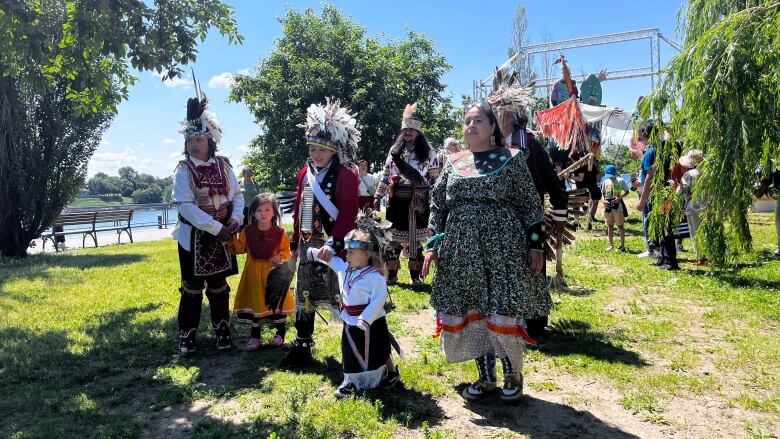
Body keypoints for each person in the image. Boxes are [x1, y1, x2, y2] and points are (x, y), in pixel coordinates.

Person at [421, 103, 546, 403]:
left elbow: (531, 204)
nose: (471, 125)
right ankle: (486, 377)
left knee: (502, 306)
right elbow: (438, 206)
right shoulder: (453, 163)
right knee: (472, 307)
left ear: (492, 127)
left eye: (478, 120)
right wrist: (431, 246)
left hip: (503, 247)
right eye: (467, 121)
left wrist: (536, 245)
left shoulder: (512, 160)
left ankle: (512, 374)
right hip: (461, 250)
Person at [280, 98, 360, 369]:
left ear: (334, 149)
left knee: (342, 292)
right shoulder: (305, 173)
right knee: (304, 293)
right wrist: (294, 241)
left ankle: (356, 343)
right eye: (313, 149)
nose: (316, 154)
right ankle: (302, 343)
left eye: (321, 150)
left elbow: (348, 213)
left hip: (332, 243)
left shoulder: (346, 174)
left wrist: (335, 242)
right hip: (307, 242)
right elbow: (298, 206)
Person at [489, 81, 568, 337]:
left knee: (532, 265)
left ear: (510, 116)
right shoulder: (488, 147)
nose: (494, 118)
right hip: (497, 219)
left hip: (528, 218)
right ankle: (504, 316)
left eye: (499, 113)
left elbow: (553, 184)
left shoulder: (530, 146)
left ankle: (533, 320)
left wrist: (559, 215)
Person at [171, 90, 243, 354]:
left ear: (210, 140)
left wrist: (235, 219)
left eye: (198, 139)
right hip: (194, 239)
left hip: (223, 237)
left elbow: (236, 196)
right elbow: (186, 207)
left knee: (219, 286)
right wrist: (217, 228)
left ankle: (222, 331)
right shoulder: (183, 170)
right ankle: (186, 336)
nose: (193, 144)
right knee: (191, 288)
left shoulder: (224, 166)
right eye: (190, 139)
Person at [311, 211, 400, 397]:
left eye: (351, 252)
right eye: (347, 252)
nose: (347, 255)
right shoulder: (345, 268)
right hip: (349, 320)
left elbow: (379, 300)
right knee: (350, 352)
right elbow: (332, 261)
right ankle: (351, 382)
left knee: (378, 350)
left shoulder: (375, 277)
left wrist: (366, 318)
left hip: (371, 320)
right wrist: (314, 253)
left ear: (366, 254)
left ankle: (388, 373)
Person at [373, 103, 440, 285]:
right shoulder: (394, 151)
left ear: (418, 132)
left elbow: (435, 181)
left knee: (415, 240)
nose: (408, 133)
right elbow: (386, 175)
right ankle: (392, 275)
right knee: (393, 239)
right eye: (405, 129)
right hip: (396, 200)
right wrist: (378, 196)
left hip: (418, 201)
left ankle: (415, 276)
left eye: (411, 129)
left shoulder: (429, 153)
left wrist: (434, 202)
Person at [227, 193, 295, 350]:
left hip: (273, 275)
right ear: (252, 213)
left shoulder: (280, 233)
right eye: (259, 210)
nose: (263, 214)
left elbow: (286, 251)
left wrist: (280, 256)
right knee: (255, 304)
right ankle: (255, 337)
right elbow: (239, 248)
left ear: (274, 213)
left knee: (277, 303)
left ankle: (280, 334)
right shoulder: (247, 231)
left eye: (267, 210)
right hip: (253, 274)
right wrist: (230, 238)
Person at [635, 123, 659, 258]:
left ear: (645, 135)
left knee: (648, 221)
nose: (639, 141)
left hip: (650, 193)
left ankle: (651, 249)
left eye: (640, 138)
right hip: (656, 191)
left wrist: (642, 200)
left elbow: (650, 175)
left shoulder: (650, 152)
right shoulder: (659, 149)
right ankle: (657, 249)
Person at [678, 150, 706, 264]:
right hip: (708, 206)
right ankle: (710, 254)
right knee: (706, 230)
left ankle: (701, 257)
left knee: (695, 231)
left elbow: (682, 191)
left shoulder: (689, 174)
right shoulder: (709, 173)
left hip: (694, 205)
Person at [599, 165, 629, 251]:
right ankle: (610, 245)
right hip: (608, 206)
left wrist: (619, 198)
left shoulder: (620, 180)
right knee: (609, 225)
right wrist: (603, 201)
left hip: (618, 207)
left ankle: (622, 246)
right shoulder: (605, 181)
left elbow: (627, 191)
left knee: (620, 226)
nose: (610, 177)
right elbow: (603, 193)